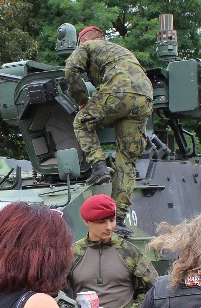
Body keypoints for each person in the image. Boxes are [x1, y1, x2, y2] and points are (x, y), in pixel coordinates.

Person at [65, 25, 153, 235]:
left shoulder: (87, 47)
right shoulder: (121, 51)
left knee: (82, 122)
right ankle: (118, 219)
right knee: (127, 159)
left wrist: (82, 101)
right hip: (145, 97)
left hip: (119, 91)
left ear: (82, 41)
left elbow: (70, 70)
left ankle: (98, 167)